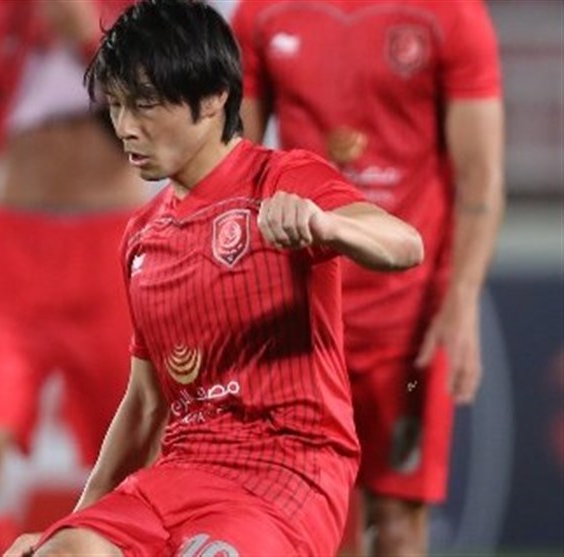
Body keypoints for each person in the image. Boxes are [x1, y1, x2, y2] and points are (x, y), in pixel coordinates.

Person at [3, 1, 424, 555]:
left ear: (212, 97)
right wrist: (73, 525)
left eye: (145, 105)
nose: (125, 128)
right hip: (180, 473)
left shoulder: (282, 179)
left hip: (286, 469)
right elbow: (145, 406)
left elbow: (405, 244)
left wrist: (328, 226)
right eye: (117, 106)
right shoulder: (142, 236)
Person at [231, 1, 505, 555]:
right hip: (301, 321)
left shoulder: (450, 15)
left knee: (398, 522)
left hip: (405, 328)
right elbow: (232, 166)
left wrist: (461, 302)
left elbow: (481, 179)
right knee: (315, 520)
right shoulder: (260, 15)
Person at [0, 1, 143, 554]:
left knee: (137, 462)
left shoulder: (138, 9)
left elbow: (166, 114)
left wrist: (86, 37)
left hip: (115, 250)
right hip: (12, 253)